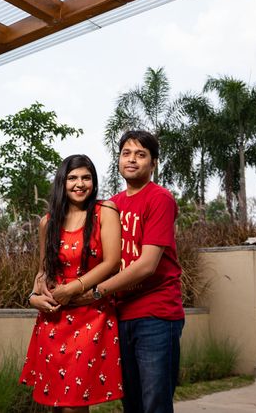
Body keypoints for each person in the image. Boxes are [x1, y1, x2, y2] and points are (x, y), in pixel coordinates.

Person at [84, 130, 185, 413]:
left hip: (156, 313)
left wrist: (96, 291)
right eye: (126, 153)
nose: (132, 160)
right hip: (120, 313)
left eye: (141, 155)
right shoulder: (110, 205)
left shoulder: (159, 198)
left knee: (154, 403)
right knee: (132, 402)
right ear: (118, 160)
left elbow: (147, 264)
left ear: (153, 163)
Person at [21, 154, 123, 411]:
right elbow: (43, 271)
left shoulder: (105, 212)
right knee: (55, 401)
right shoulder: (47, 222)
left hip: (91, 315)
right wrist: (34, 297)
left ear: (94, 181)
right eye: (72, 178)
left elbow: (112, 262)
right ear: (62, 182)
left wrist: (73, 288)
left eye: (86, 177)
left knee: (73, 403)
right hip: (54, 318)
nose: (80, 183)